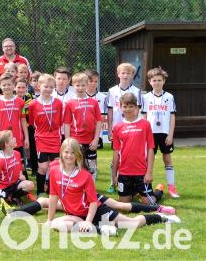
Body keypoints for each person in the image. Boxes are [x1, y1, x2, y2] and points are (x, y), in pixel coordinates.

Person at [46, 138, 180, 234]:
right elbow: (53, 197)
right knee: (56, 224)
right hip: (75, 215)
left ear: (77, 155)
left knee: (131, 224)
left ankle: (162, 217)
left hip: (96, 211)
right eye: (66, 152)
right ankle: (101, 229)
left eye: (72, 152)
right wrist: (49, 220)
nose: (69, 155)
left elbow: (93, 202)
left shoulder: (84, 176)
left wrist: (87, 221)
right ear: (61, 153)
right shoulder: (54, 171)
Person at [112, 93, 162, 204]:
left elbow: (150, 149)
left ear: (137, 107)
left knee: (149, 203)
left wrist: (149, 172)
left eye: (131, 106)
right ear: (120, 107)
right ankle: (134, 192)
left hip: (141, 172)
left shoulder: (145, 125)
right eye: (125, 106)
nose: (128, 109)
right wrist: (114, 175)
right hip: (124, 173)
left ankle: (159, 191)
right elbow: (116, 152)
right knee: (124, 205)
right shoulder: (117, 127)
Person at [106, 63, 143, 193]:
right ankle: (113, 181)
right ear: (118, 74)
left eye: (128, 73)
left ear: (132, 75)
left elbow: (138, 110)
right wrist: (110, 128)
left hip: (132, 129)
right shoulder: (112, 91)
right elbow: (110, 111)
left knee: (130, 155)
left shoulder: (137, 91)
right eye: (123, 73)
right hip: (118, 129)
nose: (125, 75)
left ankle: (133, 182)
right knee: (115, 155)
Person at [142, 67, 178, 198]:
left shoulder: (169, 97)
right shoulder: (145, 97)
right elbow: (144, 117)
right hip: (150, 134)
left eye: (159, 80)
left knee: (167, 159)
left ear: (164, 81)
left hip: (164, 133)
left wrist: (170, 134)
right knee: (147, 160)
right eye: (154, 80)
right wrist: (144, 134)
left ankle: (172, 188)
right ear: (149, 82)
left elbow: (172, 116)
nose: (156, 82)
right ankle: (145, 187)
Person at [28, 74, 63, 196]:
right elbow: (32, 122)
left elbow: (60, 121)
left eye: (51, 87)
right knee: (43, 167)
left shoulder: (58, 103)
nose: (48, 89)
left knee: (56, 167)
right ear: (39, 86)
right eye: (45, 86)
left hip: (55, 139)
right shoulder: (33, 104)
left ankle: (54, 190)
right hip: (41, 139)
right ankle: (40, 191)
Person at [64, 73, 103, 181]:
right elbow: (67, 123)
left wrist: (96, 139)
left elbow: (99, 121)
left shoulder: (94, 102)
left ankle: (91, 190)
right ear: (73, 85)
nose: (80, 88)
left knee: (92, 167)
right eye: (77, 85)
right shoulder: (70, 103)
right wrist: (68, 141)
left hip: (91, 141)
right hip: (76, 140)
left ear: (87, 85)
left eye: (83, 85)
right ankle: (77, 188)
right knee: (77, 166)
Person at [0, 131, 35, 210]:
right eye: (12, 138)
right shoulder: (0, 161)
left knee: (30, 185)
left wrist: (21, 175)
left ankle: (13, 197)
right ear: (7, 144)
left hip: (15, 184)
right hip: (3, 187)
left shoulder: (17, 154)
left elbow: (19, 169)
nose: (15, 139)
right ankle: (7, 207)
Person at [0, 74, 29, 162]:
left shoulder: (20, 102)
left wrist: (26, 138)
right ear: (0, 86)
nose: (6, 87)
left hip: (16, 139)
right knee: (3, 164)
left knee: (19, 165)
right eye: (4, 85)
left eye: (9, 84)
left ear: (14, 86)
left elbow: (23, 120)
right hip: (2, 140)